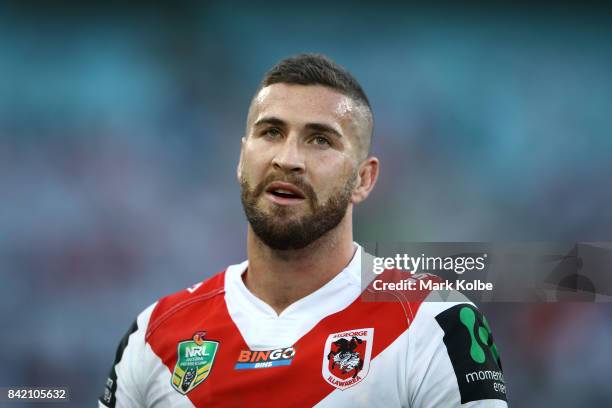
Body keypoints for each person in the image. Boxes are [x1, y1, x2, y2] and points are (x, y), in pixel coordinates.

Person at [99, 54, 508, 407]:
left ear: (364, 180)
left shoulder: (434, 321)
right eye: (271, 132)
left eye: (320, 140)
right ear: (242, 158)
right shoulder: (155, 335)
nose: (288, 159)